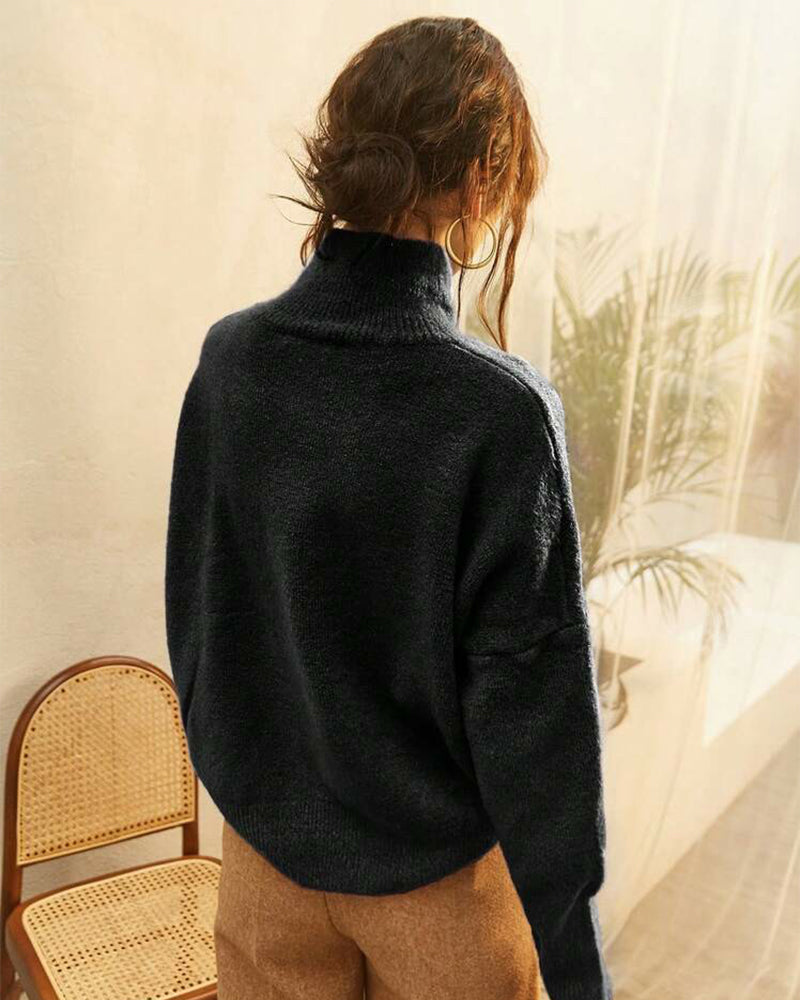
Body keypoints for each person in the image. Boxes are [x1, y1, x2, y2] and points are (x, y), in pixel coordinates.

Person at [165, 14, 614, 1000]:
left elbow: (198, 614)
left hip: (263, 866)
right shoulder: (497, 410)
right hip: (436, 886)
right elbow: (530, 709)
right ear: (481, 180)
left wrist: (248, 782)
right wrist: (577, 970)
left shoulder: (232, 361)